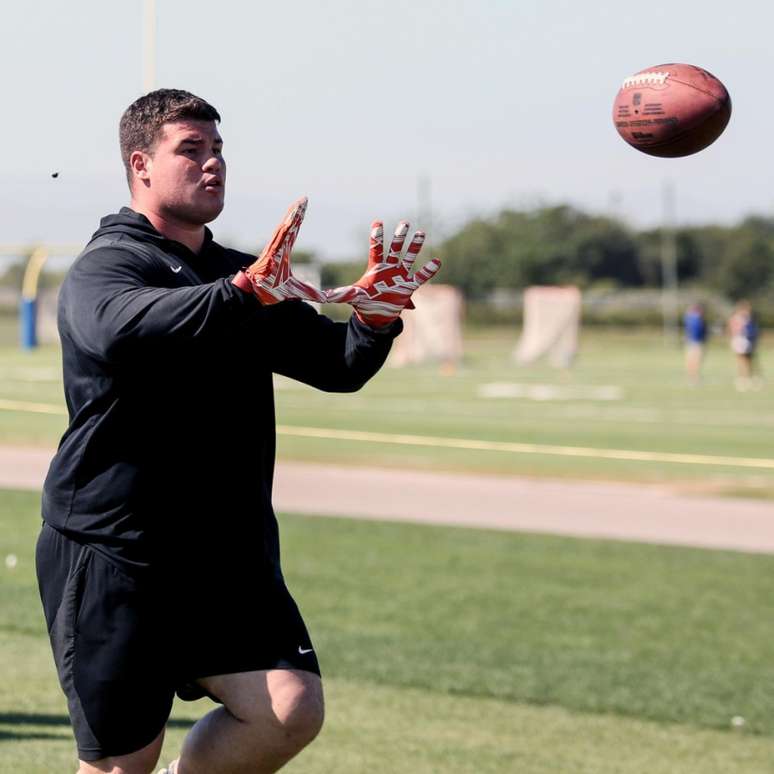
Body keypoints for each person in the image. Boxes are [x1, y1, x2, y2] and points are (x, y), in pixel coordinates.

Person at [35, 88, 440, 774]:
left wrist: (373, 321)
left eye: (218, 149)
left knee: (288, 708)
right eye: (190, 150)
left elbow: (336, 367)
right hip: (117, 551)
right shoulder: (110, 263)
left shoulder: (242, 273)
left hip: (225, 551)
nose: (212, 164)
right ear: (141, 165)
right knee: (118, 765)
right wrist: (241, 294)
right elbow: (120, 328)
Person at [727, 299, 760, 391]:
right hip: (740, 340)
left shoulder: (748, 318)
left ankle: (748, 377)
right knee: (742, 360)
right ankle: (743, 378)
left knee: (748, 359)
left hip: (746, 340)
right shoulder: (738, 318)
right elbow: (734, 329)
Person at [683, 302, 708, 384]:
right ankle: (695, 377)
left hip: (691, 342)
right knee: (696, 361)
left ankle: (692, 377)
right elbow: (700, 332)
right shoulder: (697, 319)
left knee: (691, 360)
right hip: (697, 343)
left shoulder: (689, 318)